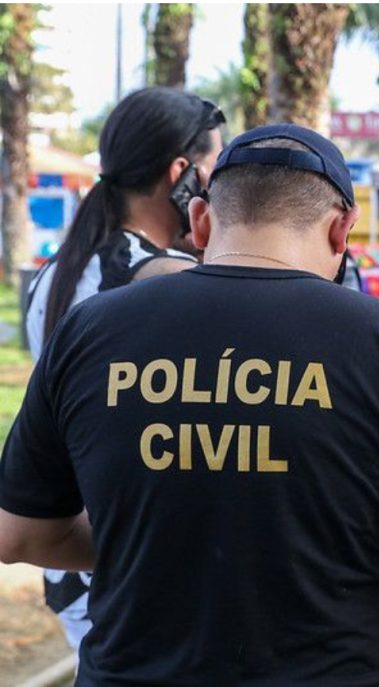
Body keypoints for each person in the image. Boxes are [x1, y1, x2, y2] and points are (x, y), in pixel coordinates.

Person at [0, 123, 379, 685]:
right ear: (342, 229)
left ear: (201, 220)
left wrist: (151, 539)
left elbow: (20, 534)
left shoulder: (91, 329)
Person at [20, 86, 225, 652]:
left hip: (76, 566)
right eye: (216, 170)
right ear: (182, 173)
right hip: (147, 565)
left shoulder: (56, 273)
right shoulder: (172, 279)